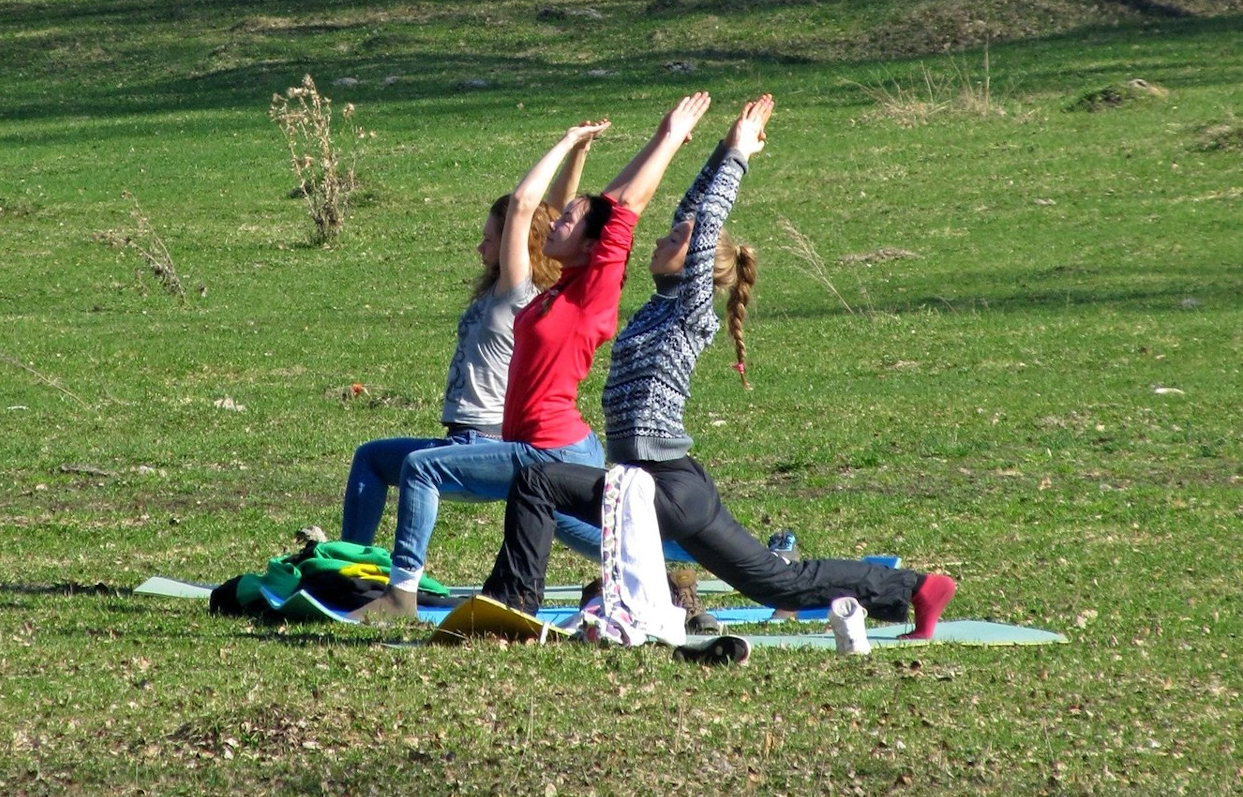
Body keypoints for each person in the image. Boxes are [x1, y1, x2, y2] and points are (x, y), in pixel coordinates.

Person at [479, 94, 958, 647]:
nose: (662, 239)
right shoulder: (661, 304)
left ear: (699, 263)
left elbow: (705, 220)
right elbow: (691, 211)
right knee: (778, 582)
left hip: (660, 481)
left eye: (676, 241)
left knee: (537, 480)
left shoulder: (691, 308)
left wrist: (737, 156)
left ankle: (512, 605)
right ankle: (918, 589)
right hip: (671, 482)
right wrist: (713, 153)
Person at [353, 93, 715, 621]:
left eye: (570, 221)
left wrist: (663, 138)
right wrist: (585, 159)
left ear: (594, 247)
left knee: (421, 469)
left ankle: (399, 596)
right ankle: (688, 570)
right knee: (603, 537)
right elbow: (586, 205)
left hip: (550, 449)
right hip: (547, 449)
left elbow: (616, 208)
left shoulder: (593, 291)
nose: (557, 223)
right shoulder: (555, 287)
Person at [339, 122, 607, 553]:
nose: (481, 249)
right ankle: (348, 562)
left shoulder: (515, 290)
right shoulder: (527, 285)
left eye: (489, 241)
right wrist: (580, 154)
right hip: (472, 439)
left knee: (414, 468)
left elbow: (525, 208)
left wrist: (567, 140)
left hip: (484, 441)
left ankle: (393, 581)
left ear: (512, 248)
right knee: (371, 457)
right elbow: (548, 215)